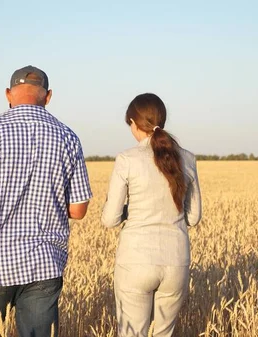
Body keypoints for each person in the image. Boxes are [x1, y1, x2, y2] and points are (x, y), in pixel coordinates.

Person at [0, 65, 92, 337]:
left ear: (8, 94)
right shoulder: (68, 138)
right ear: (48, 96)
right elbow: (78, 209)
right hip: (44, 263)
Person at [101, 93, 202, 337]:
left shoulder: (127, 159)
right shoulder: (187, 158)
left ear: (134, 123)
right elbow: (194, 217)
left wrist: (129, 210)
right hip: (176, 261)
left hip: (136, 261)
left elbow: (110, 219)